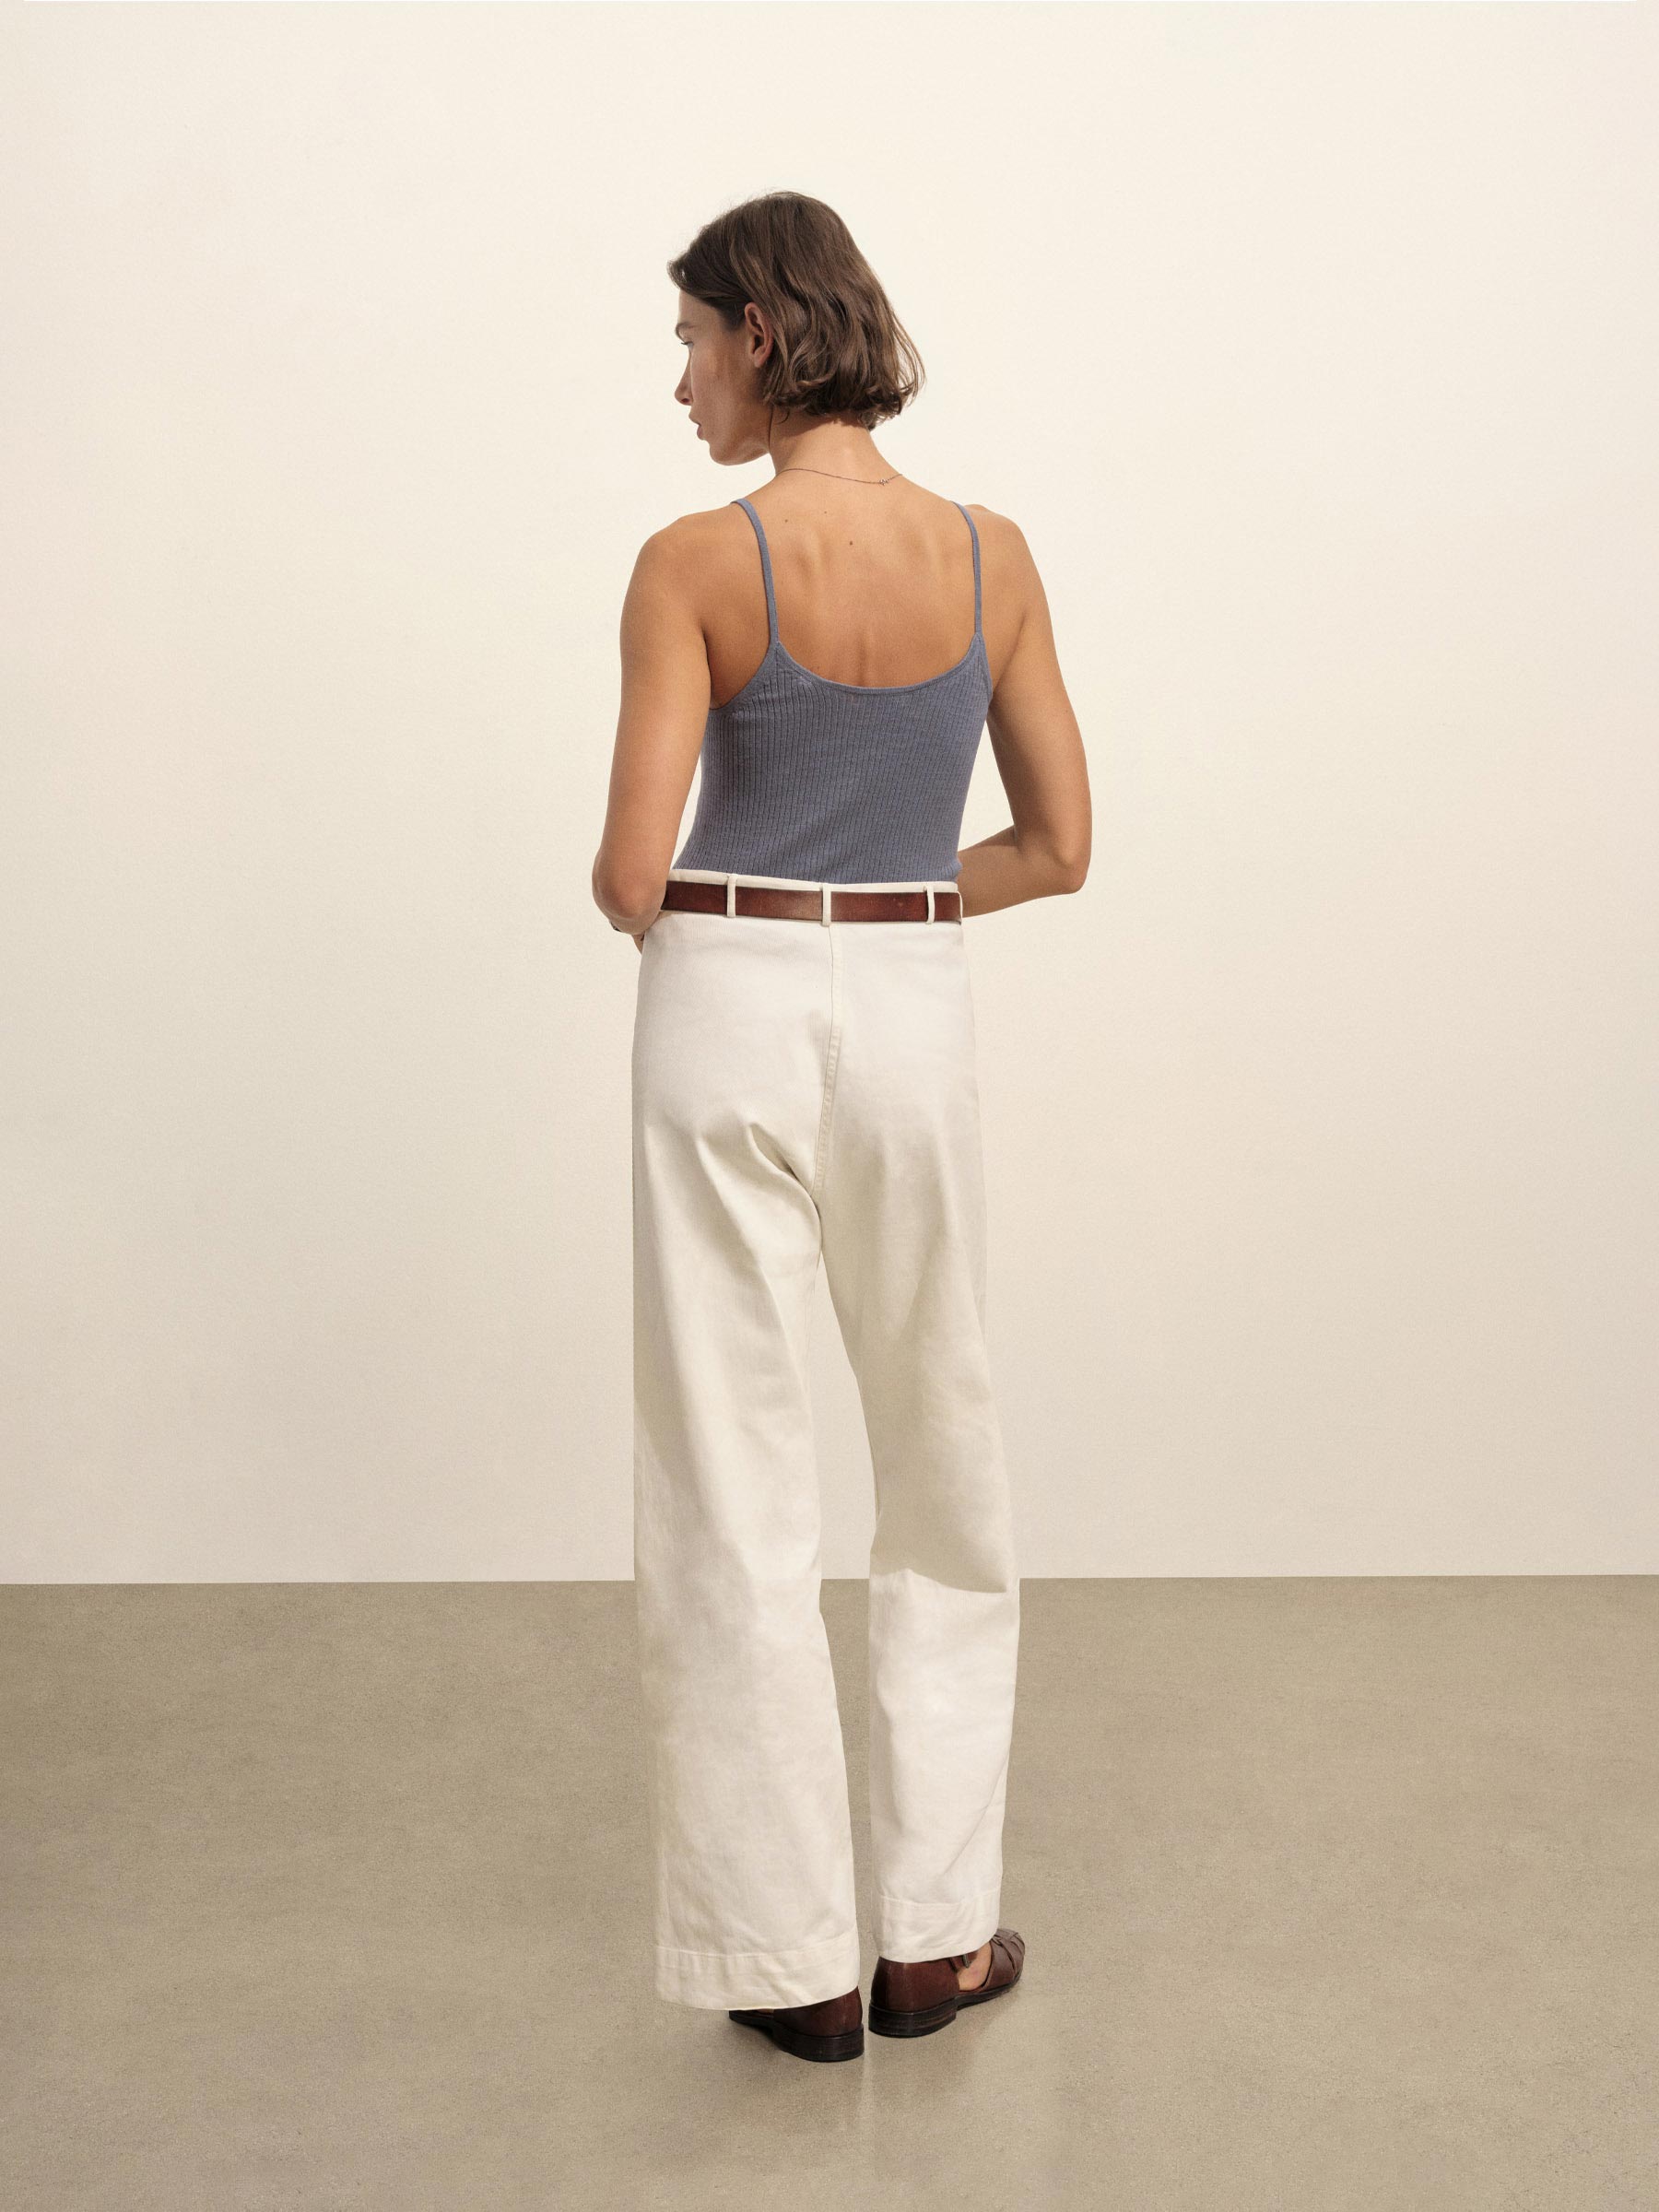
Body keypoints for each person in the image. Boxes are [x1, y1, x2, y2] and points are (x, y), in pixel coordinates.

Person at [592, 191, 1089, 2064]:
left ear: (764, 335)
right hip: (911, 996)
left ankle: (787, 1962)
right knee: (941, 1455)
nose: (680, 383)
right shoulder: (992, 554)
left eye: (690, 342)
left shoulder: (692, 563)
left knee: (734, 1484)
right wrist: (884, 894)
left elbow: (629, 873)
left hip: (724, 1003)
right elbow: (1060, 847)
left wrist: (756, 912)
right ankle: (934, 1944)